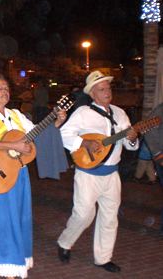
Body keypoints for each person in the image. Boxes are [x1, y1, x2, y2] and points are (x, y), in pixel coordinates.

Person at [0, 74, 65, 279]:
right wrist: (12, 145)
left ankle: (5, 258)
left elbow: (35, 133)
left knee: (16, 217)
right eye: (0, 88)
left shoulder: (16, 115)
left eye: (6, 88)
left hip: (17, 173)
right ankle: (3, 261)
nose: (5, 91)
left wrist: (55, 122)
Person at [57, 70, 138, 273]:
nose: (107, 91)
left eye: (108, 87)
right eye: (101, 89)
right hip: (88, 174)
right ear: (92, 94)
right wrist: (84, 142)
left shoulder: (120, 114)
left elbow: (130, 146)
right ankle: (65, 242)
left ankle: (103, 258)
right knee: (84, 214)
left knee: (110, 218)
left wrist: (132, 138)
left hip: (112, 174)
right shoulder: (83, 113)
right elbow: (64, 134)